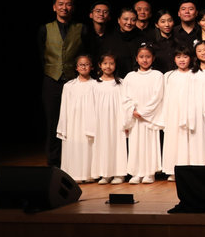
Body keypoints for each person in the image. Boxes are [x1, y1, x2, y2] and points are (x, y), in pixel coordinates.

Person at [39, 0, 85, 166]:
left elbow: (86, 52)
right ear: (54, 7)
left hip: (73, 81)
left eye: (68, 4)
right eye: (60, 4)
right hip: (52, 80)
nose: (64, 7)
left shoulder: (81, 28)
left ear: (73, 8)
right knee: (53, 122)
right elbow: (40, 54)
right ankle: (53, 162)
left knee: (75, 122)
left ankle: (74, 161)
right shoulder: (45, 29)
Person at [159, 46, 205, 177]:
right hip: (174, 113)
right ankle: (174, 170)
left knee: (192, 141)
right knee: (175, 141)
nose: (182, 60)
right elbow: (164, 97)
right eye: (178, 57)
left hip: (193, 114)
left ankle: (193, 170)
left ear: (191, 58)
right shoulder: (168, 76)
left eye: (185, 57)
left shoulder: (197, 74)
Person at [122, 43, 164, 184]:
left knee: (150, 144)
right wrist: (132, 111)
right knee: (135, 144)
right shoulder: (130, 76)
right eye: (141, 57)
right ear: (136, 58)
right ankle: (136, 173)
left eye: (148, 57)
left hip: (150, 117)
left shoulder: (157, 75)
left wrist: (144, 112)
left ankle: (149, 173)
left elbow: (158, 96)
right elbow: (125, 97)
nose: (144, 60)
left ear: (153, 58)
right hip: (135, 117)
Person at [55, 54, 96, 182]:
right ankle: (73, 174)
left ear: (92, 67)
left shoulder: (96, 85)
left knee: (88, 146)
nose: (84, 67)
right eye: (81, 65)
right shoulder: (69, 86)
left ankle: (88, 175)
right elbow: (64, 107)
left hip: (89, 121)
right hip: (73, 123)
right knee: (74, 146)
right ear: (76, 67)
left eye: (87, 64)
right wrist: (63, 126)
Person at [90, 53, 128, 184]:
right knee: (103, 145)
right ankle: (105, 173)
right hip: (101, 121)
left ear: (115, 65)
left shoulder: (121, 83)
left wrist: (126, 122)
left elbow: (125, 103)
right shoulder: (95, 84)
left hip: (117, 119)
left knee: (118, 144)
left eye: (111, 63)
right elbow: (92, 104)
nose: (108, 66)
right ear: (100, 65)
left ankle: (119, 174)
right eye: (105, 63)